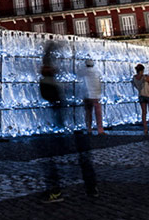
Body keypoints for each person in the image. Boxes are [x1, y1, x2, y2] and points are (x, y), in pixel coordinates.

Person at [38, 42, 97, 203]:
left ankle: (56, 191)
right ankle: (91, 187)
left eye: (44, 67)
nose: (41, 69)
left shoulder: (52, 80)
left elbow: (50, 96)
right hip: (74, 123)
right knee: (82, 156)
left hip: (62, 124)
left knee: (52, 158)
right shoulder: (72, 73)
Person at [79, 59, 105, 135]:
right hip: (96, 95)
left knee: (88, 112)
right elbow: (101, 80)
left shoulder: (83, 71)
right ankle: (100, 130)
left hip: (87, 95)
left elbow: (78, 75)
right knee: (98, 113)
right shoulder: (97, 71)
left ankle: (89, 129)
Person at [131, 64, 149, 135]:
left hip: (141, 95)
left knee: (144, 112)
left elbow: (135, 86)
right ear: (142, 70)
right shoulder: (145, 77)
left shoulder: (134, 78)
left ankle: (145, 129)